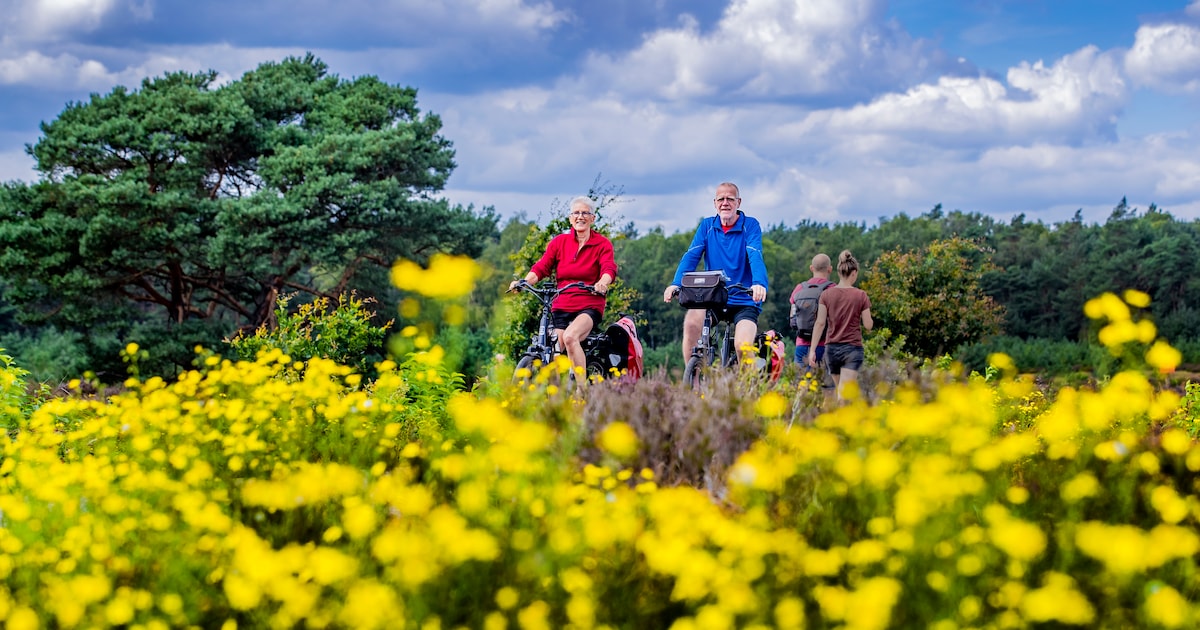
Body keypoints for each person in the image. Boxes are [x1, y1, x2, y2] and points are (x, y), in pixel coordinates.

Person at [510, 196, 617, 381]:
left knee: (570, 337)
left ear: (593, 218)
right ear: (570, 218)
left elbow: (609, 268)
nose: (580, 217)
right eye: (576, 213)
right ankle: (555, 397)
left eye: (585, 213)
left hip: (588, 304)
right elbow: (542, 267)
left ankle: (581, 392)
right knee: (551, 349)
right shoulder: (559, 242)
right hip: (561, 305)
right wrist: (524, 282)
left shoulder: (602, 244)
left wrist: (602, 283)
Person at [663, 182, 769, 366]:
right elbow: (691, 256)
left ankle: (749, 390)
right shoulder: (707, 226)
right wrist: (676, 283)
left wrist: (759, 283)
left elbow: (755, 254)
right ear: (715, 203)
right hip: (713, 296)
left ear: (739, 202)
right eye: (721, 199)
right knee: (691, 325)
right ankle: (693, 383)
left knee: (743, 346)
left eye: (730, 199)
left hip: (744, 298)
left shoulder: (750, 225)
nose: (725, 203)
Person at [807, 250, 873, 402]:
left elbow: (820, 323)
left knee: (840, 392)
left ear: (838, 271)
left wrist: (812, 351)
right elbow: (868, 325)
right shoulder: (861, 295)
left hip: (832, 350)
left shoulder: (826, 295)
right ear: (854, 272)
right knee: (845, 394)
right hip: (852, 349)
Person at [790, 253, 835, 365]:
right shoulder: (833, 289)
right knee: (826, 382)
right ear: (830, 269)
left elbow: (792, 319)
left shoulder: (799, 288)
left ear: (811, 268)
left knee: (801, 381)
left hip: (801, 345)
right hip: (826, 345)